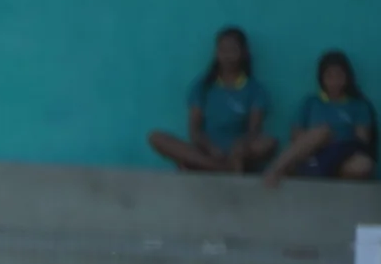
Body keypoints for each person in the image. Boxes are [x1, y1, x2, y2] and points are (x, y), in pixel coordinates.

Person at [147, 28, 275, 174]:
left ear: (244, 53)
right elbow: (195, 131)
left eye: (233, 50)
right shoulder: (202, 87)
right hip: (207, 152)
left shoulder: (255, 90)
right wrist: (211, 149)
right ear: (216, 53)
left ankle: (212, 167)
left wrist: (239, 149)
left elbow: (254, 131)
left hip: (240, 154)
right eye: (222, 50)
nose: (227, 56)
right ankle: (219, 168)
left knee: (269, 143)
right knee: (156, 138)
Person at [265, 51, 377, 187]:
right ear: (321, 78)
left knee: (363, 165)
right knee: (321, 131)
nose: (334, 81)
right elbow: (296, 137)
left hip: (342, 158)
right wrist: (321, 141)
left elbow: (362, 141)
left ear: (347, 77)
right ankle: (276, 169)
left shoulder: (358, 105)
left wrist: (336, 144)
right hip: (313, 154)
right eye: (329, 76)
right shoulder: (311, 102)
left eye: (339, 75)